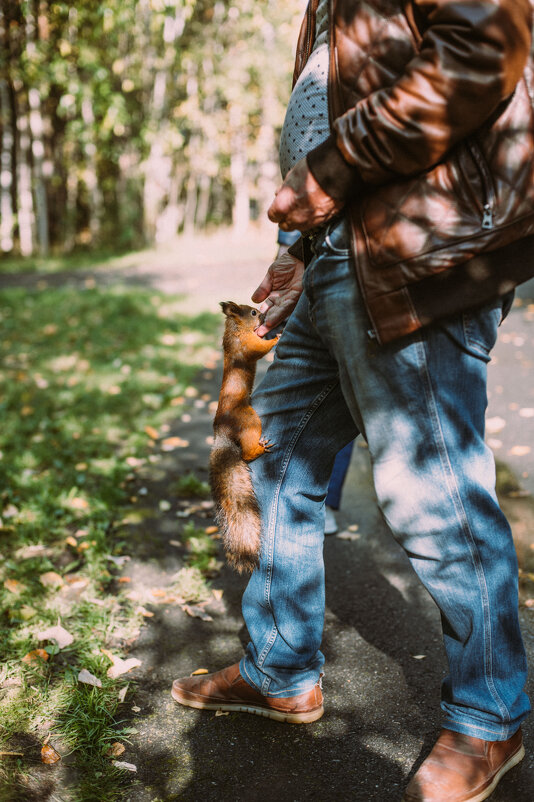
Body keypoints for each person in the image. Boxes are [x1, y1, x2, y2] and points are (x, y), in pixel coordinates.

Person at [172, 2, 534, 799]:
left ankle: (490, 718)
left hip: (416, 253)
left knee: (430, 494)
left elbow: (482, 49)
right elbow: (331, 110)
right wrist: (295, 253)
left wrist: (329, 174)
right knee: (277, 461)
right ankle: (280, 671)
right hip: (333, 260)